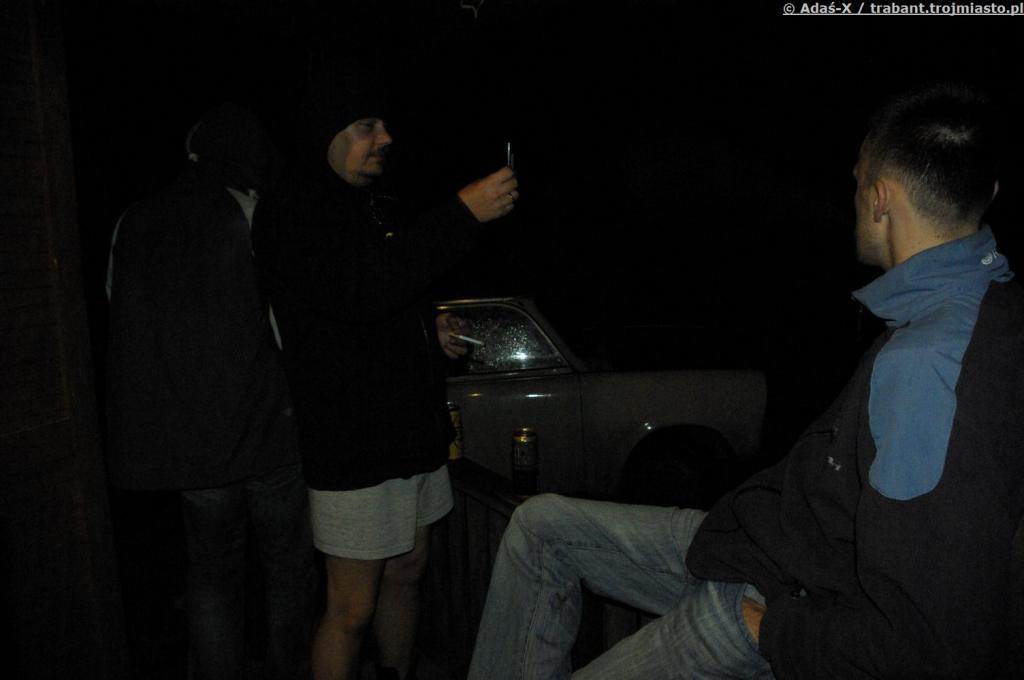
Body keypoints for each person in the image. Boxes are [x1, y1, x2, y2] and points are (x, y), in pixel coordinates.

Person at [467, 83, 1024, 679]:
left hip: (773, 607)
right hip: (756, 543)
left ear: (881, 198)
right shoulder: (983, 306)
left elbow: (924, 643)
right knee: (540, 526)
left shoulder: (926, 364)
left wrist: (770, 629)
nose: (854, 198)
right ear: (987, 192)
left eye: (858, 181)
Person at [252, 61, 518, 680]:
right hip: (352, 440)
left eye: (384, 123)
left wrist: (429, 329)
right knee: (350, 607)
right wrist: (460, 214)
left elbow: (385, 296)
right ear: (326, 130)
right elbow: (357, 291)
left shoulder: (368, 204)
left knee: (407, 571)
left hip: (409, 432)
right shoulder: (293, 209)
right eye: (366, 125)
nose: (385, 137)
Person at [106, 104, 316, 680]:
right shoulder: (250, 213)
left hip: (191, 448)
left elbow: (123, 316)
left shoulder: (133, 221)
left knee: (211, 576)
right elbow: (286, 327)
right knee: (288, 570)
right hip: (268, 436)